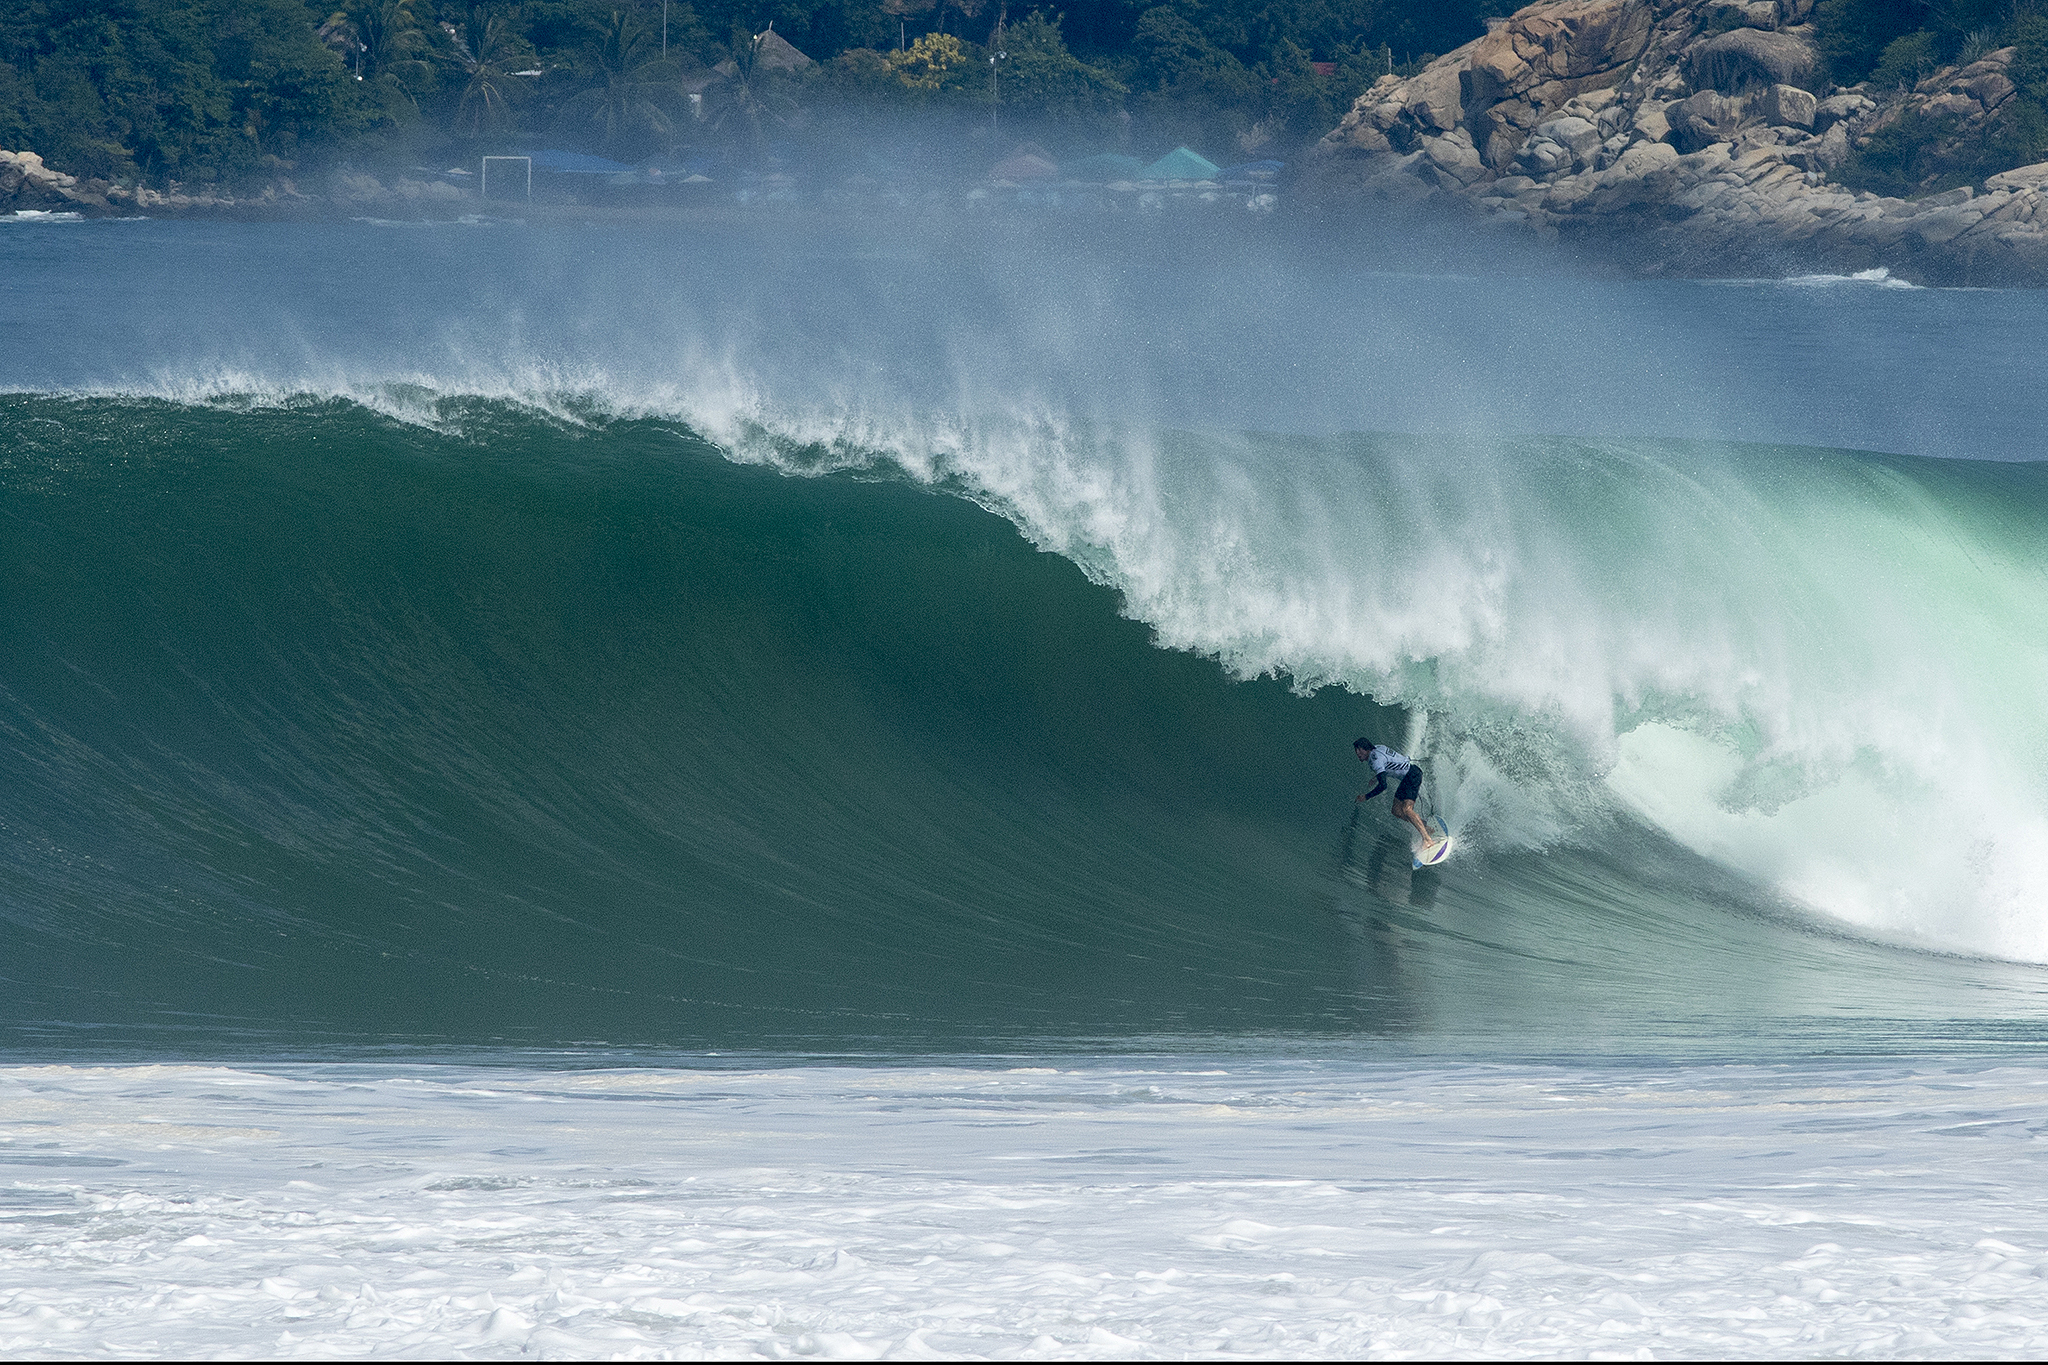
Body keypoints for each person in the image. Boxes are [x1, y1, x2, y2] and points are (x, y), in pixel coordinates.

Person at [1354, 737, 1441, 851]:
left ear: (1366, 749)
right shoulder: (1378, 748)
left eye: (1360, 751)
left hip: (1412, 775)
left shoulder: (1375, 760)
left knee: (1407, 809)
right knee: (1396, 811)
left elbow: (1383, 786)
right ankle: (1427, 828)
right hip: (1407, 777)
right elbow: (1388, 761)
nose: (1358, 754)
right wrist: (1376, 777)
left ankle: (1428, 840)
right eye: (1356, 751)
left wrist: (1366, 796)